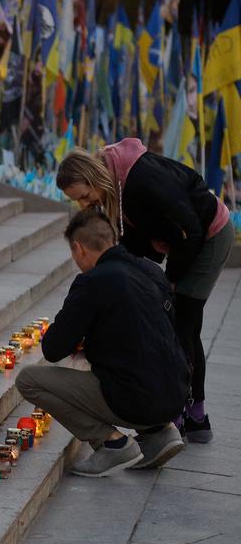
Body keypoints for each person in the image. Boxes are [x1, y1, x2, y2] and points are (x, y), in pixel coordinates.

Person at [57, 141, 233, 442]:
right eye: (79, 202)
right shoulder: (114, 191)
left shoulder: (140, 180)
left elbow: (188, 229)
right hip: (184, 241)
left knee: (181, 324)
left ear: (94, 177)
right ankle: (188, 414)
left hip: (208, 236)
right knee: (176, 322)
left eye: (85, 196)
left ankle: (188, 416)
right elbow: (132, 244)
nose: (86, 204)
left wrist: (171, 281)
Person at [16, 209, 189, 477]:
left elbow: (53, 348)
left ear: (78, 248)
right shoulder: (151, 271)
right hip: (175, 394)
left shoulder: (93, 281)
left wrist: (82, 338)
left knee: (29, 379)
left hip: (132, 398)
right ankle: (160, 431)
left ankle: (111, 443)